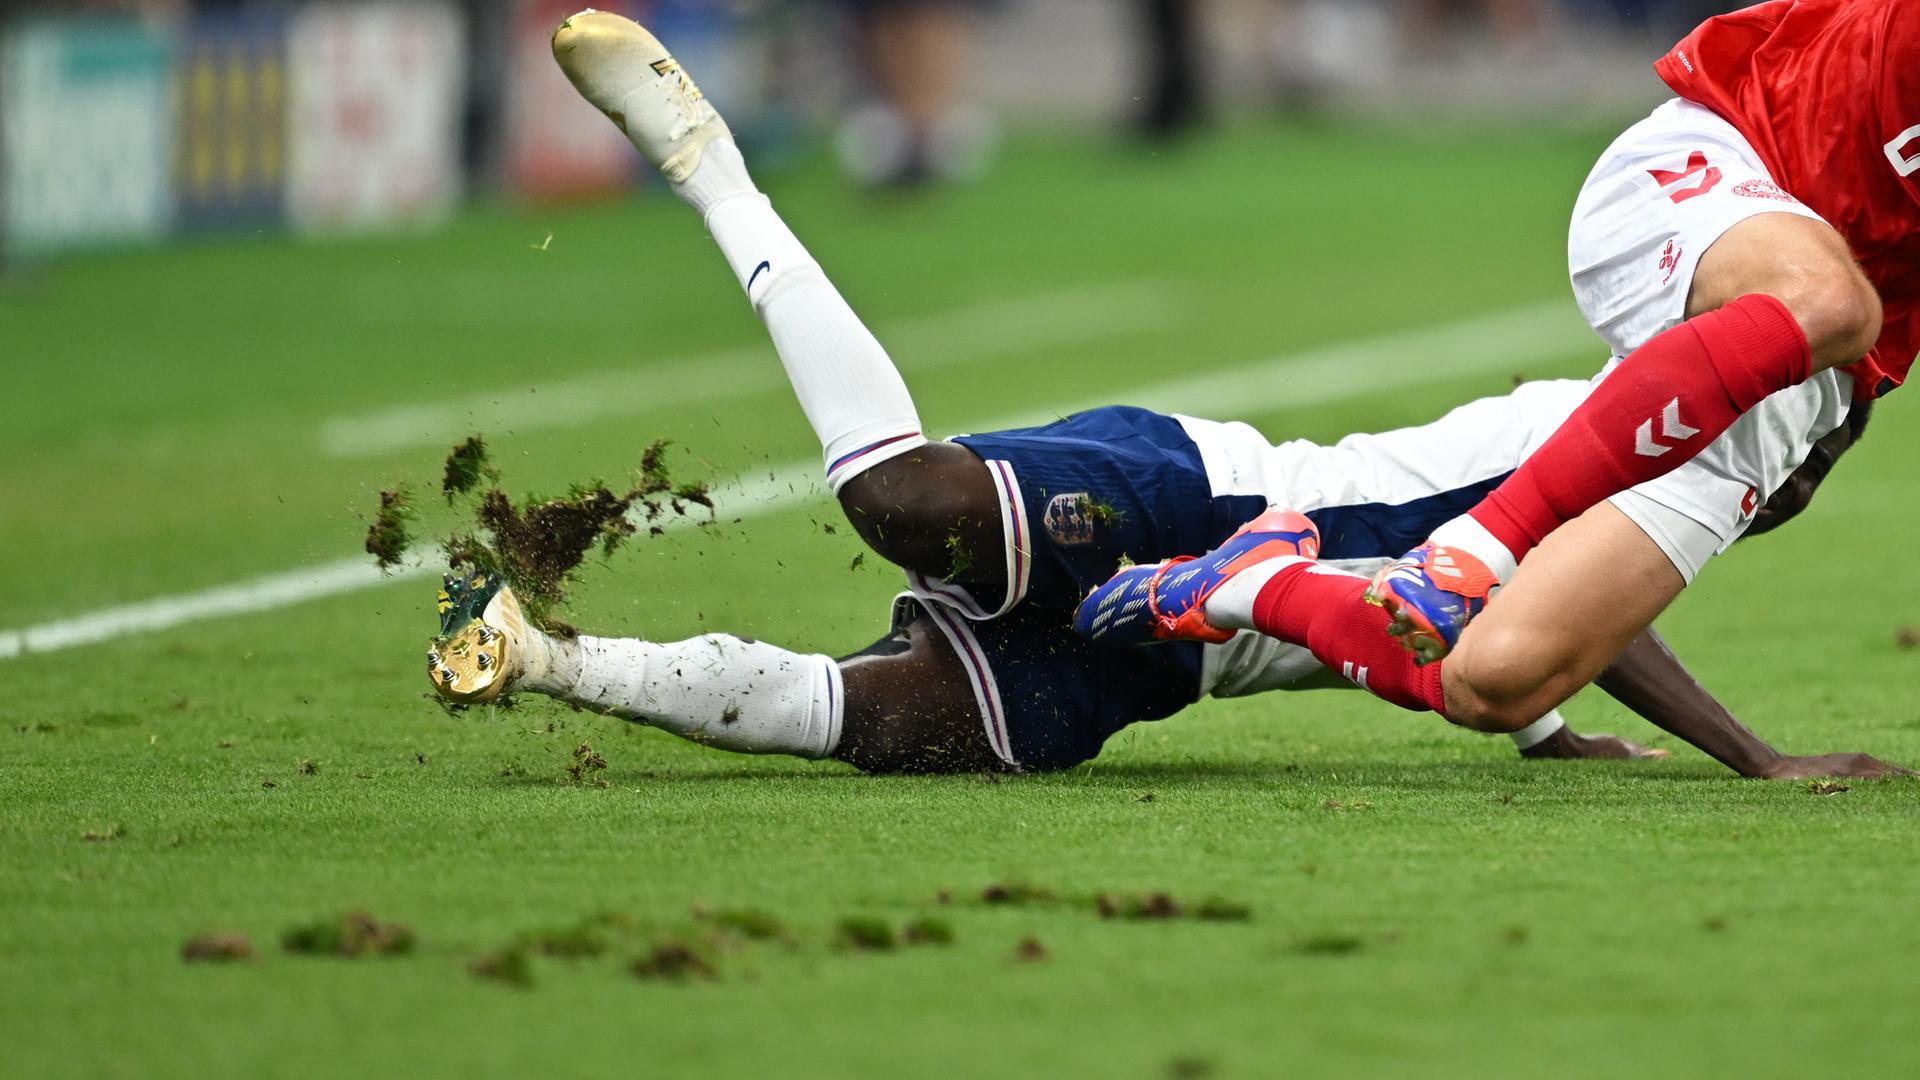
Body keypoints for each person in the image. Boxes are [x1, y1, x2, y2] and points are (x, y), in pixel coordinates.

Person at [423, 9, 1905, 782]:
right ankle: (709, 166)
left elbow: (1555, 627)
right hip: (1213, 496)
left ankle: (545, 658)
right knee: (904, 501)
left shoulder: (1667, 505)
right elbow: (1529, 535)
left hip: (1163, 670)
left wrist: (1688, 745)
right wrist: (1726, 745)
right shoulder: (1657, 423)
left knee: (860, 725)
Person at [1082, 0, 1920, 749]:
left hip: (1825, 362)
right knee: (1832, 302)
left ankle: (1253, 584)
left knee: (1502, 681)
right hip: (1723, 170)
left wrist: (1757, 760)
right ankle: (1473, 548)